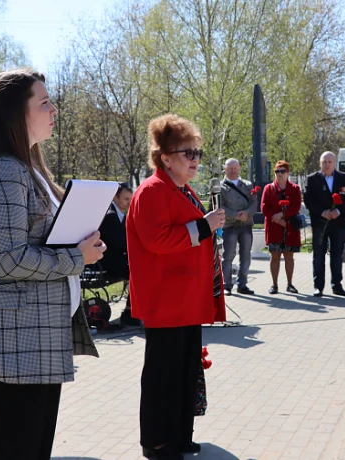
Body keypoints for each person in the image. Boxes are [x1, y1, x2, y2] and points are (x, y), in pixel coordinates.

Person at [0, 69, 104, 459]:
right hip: (12, 342)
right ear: (15, 113)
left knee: (32, 447)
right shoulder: (2, 170)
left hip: (32, 338)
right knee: (16, 447)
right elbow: (8, 259)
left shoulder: (27, 167)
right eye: (44, 102)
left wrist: (80, 236)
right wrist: (77, 257)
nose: (54, 109)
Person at [127, 114, 227, 459]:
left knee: (185, 371)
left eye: (197, 152)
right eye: (188, 153)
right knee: (162, 377)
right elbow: (157, 240)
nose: (195, 159)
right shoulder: (152, 191)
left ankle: (180, 435)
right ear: (165, 157)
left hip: (185, 300)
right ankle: (157, 442)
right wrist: (204, 226)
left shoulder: (180, 188)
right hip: (165, 302)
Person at [304, 151, 345, 297]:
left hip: (338, 223)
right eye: (324, 162)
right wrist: (322, 212)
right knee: (319, 255)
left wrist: (338, 211)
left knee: (337, 255)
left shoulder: (344, 178)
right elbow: (308, 200)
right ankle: (318, 286)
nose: (326, 165)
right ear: (320, 164)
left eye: (329, 162)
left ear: (335, 163)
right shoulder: (312, 179)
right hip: (320, 223)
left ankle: (337, 285)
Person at [98, 182, 140, 326]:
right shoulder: (110, 215)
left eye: (131, 199)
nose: (129, 203)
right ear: (115, 198)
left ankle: (131, 311)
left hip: (118, 259)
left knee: (143, 269)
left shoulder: (120, 214)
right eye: (126, 199)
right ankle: (129, 313)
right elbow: (120, 242)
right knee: (140, 272)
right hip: (109, 263)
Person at [261, 160, 302, 294]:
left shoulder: (294, 188)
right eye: (277, 171)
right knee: (275, 256)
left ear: (288, 173)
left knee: (289, 256)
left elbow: (296, 206)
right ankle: (274, 285)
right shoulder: (269, 188)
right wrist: (277, 218)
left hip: (290, 227)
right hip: (274, 227)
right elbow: (264, 207)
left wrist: (283, 214)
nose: (280, 174)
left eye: (282, 171)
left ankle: (290, 284)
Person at [220, 158, 257, 295]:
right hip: (229, 225)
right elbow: (220, 206)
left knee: (246, 256)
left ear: (239, 168)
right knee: (228, 255)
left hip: (246, 225)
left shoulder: (247, 185)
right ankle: (227, 285)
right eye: (230, 168)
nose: (233, 170)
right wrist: (235, 215)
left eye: (235, 168)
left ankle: (242, 284)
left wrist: (247, 213)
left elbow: (254, 203)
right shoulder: (221, 187)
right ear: (225, 169)